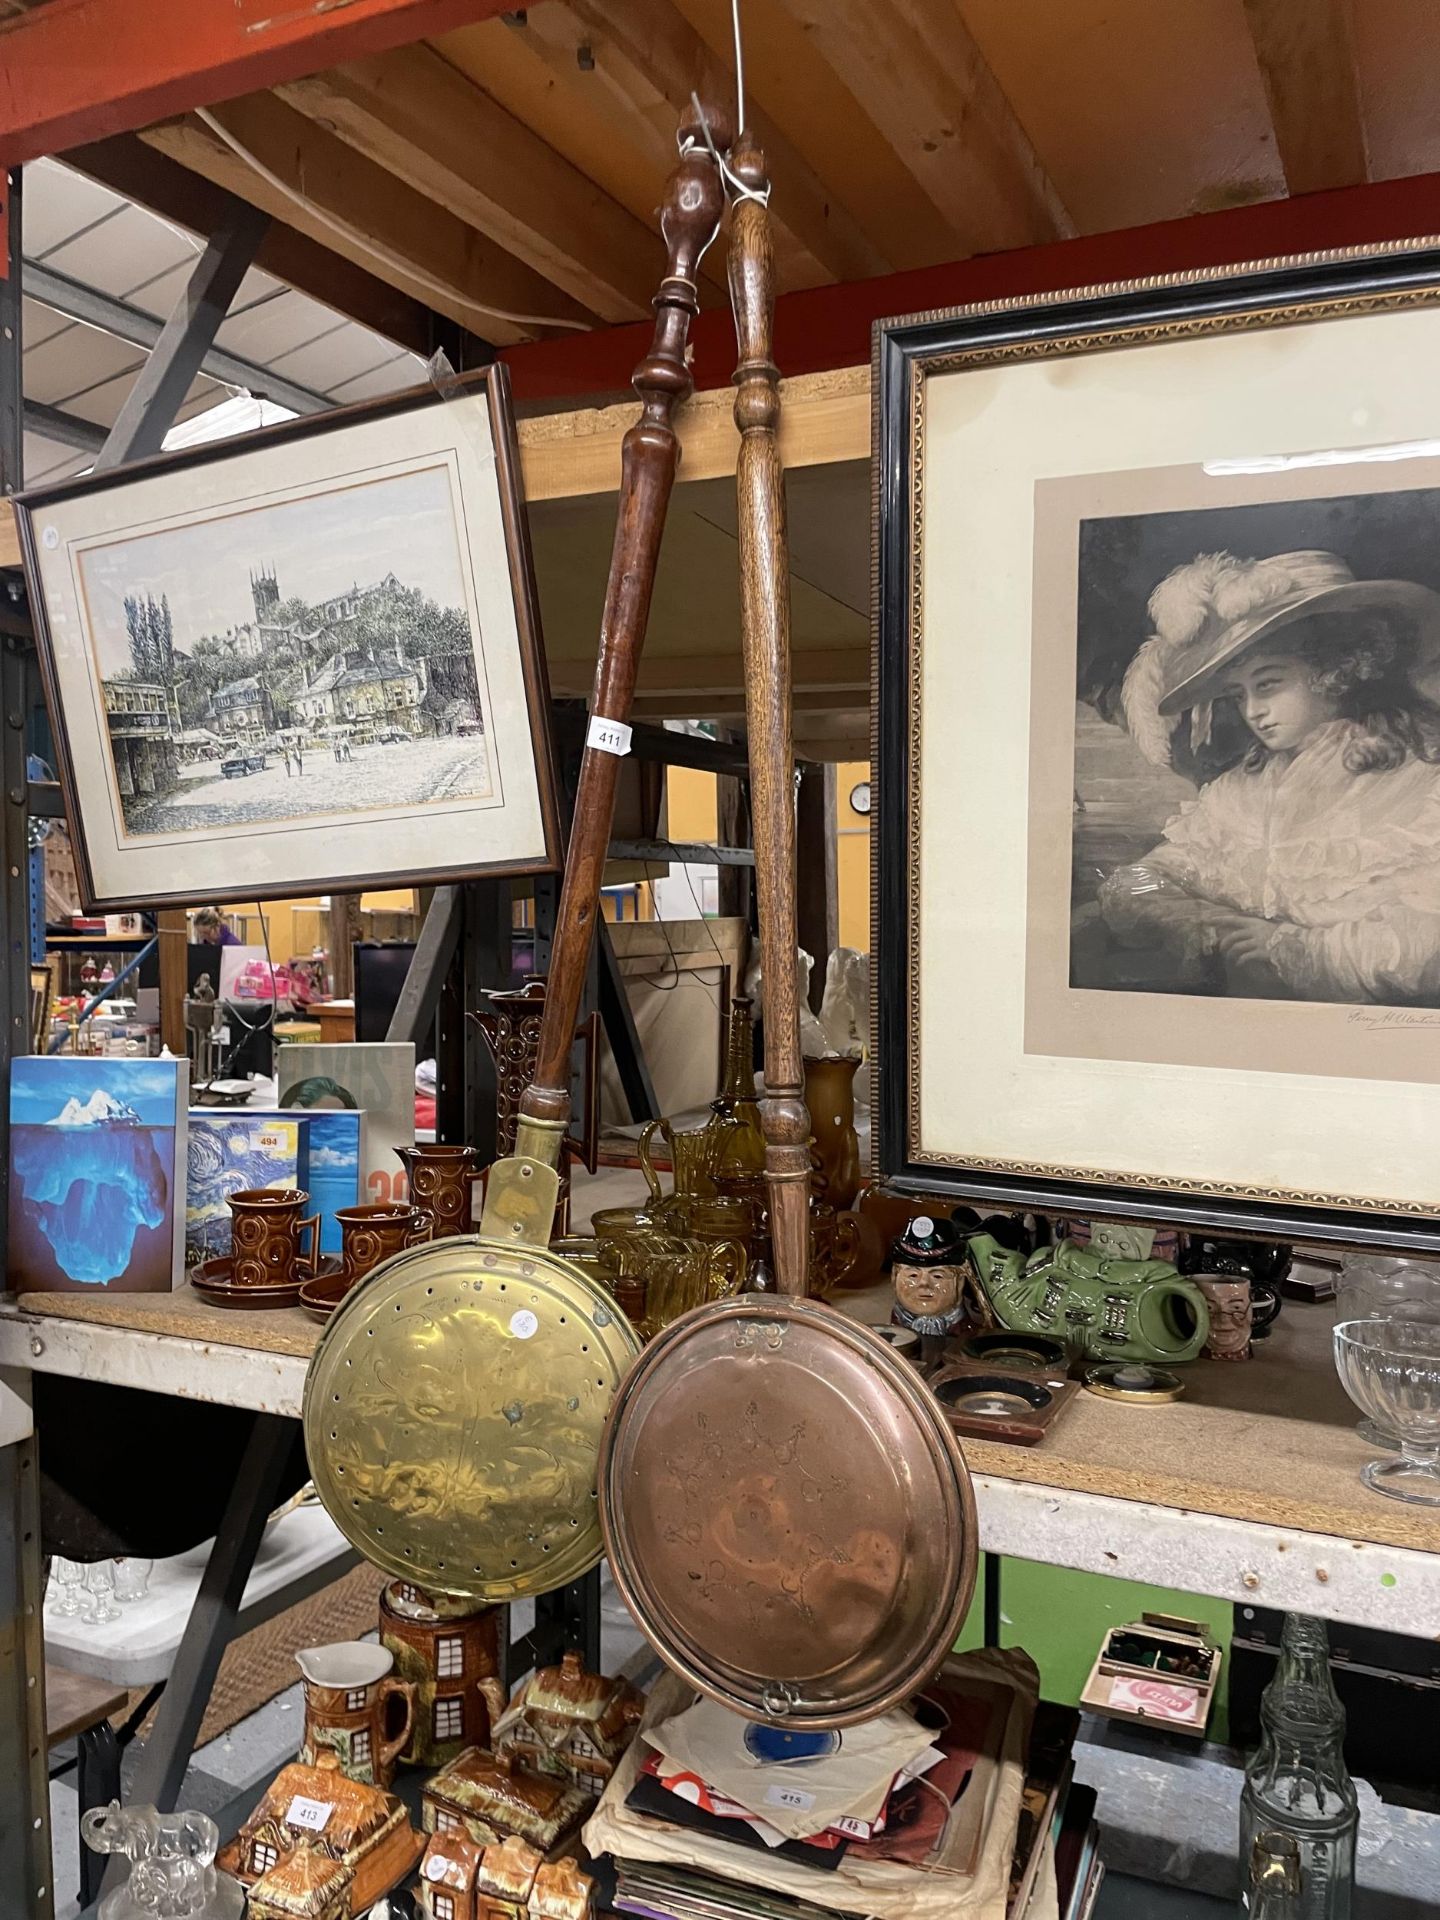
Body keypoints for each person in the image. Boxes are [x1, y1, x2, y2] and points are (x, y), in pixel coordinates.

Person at [1099, 549, 1440, 1003]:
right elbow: (1135, 883)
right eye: (1239, 694)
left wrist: (1290, 948)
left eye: (1269, 683)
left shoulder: (1420, 780)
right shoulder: (1242, 789)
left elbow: (1426, 946)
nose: (1253, 711)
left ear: (1336, 670)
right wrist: (1206, 921)